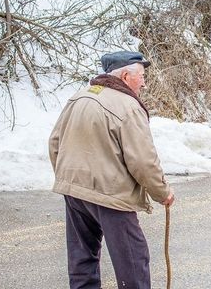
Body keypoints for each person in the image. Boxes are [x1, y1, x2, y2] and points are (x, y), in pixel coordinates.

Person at [49, 51, 174, 289]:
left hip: (75, 192)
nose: (145, 83)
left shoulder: (79, 97)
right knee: (133, 262)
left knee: (82, 260)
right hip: (111, 196)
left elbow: (55, 143)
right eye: (142, 76)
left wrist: (69, 179)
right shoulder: (128, 106)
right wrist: (162, 193)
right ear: (126, 76)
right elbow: (143, 161)